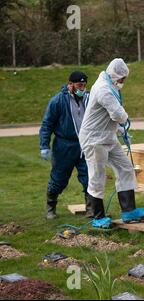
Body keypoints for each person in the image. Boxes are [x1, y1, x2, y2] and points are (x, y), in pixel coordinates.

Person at [79, 58, 144, 229]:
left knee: (125, 168)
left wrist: (123, 131)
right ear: (115, 75)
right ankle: (97, 216)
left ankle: (129, 210)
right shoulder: (103, 89)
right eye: (122, 78)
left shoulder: (110, 85)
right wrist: (125, 121)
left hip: (107, 136)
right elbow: (118, 114)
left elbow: (111, 117)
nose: (123, 82)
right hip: (94, 139)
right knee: (97, 175)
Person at [39, 71, 93, 220]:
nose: (82, 88)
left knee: (89, 176)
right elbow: (47, 124)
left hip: (84, 144)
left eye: (84, 85)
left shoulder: (88, 99)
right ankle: (51, 207)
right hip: (64, 146)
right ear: (70, 84)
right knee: (59, 178)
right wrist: (44, 145)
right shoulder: (58, 101)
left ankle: (91, 209)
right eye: (79, 85)